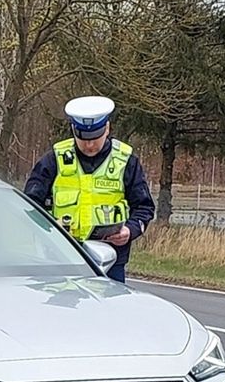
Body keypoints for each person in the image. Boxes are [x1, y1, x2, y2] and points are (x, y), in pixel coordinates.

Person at [24, 95, 155, 282]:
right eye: (83, 138)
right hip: (60, 259)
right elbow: (30, 205)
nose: (90, 144)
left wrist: (129, 230)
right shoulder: (54, 159)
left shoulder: (126, 161)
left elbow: (144, 207)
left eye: (95, 137)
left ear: (107, 129)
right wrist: (51, 227)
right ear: (73, 130)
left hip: (111, 261)